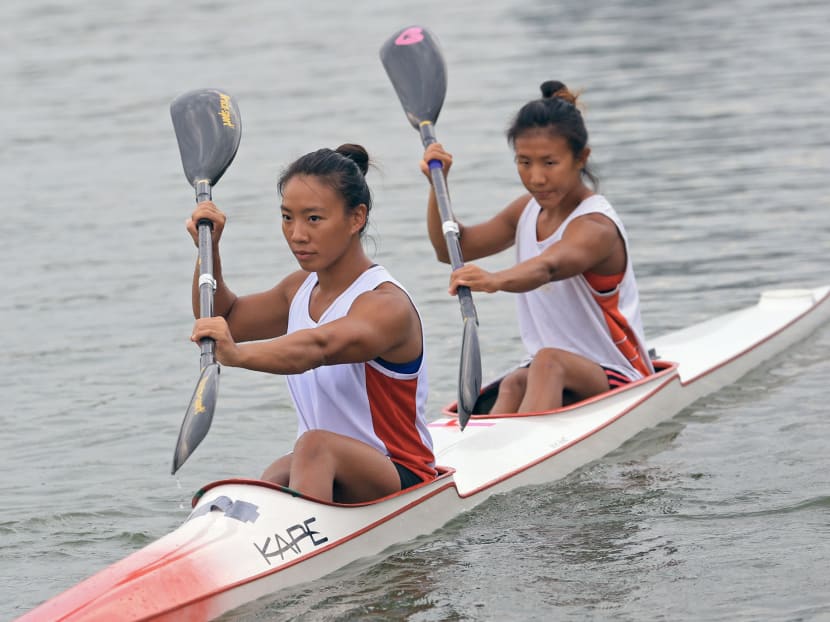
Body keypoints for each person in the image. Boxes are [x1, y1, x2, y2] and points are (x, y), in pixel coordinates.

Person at [188, 143, 436, 503]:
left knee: (313, 447)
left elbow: (319, 347)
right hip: (325, 465)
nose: (297, 234)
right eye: (287, 217)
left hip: (401, 474)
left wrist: (238, 355)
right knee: (275, 473)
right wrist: (207, 249)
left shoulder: (386, 305)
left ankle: (306, 545)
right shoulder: (298, 290)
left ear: (357, 218)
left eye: (313, 219)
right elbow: (221, 318)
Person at [420, 81, 653, 415]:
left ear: (581, 158)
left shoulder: (595, 226)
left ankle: (525, 456)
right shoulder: (525, 211)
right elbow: (452, 250)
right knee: (516, 381)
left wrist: (495, 280)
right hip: (550, 373)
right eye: (524, 162)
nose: (536, 178)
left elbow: (549, 267)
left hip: (617, 376)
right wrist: (435, 186)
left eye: (549, 163)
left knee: (545, 362)